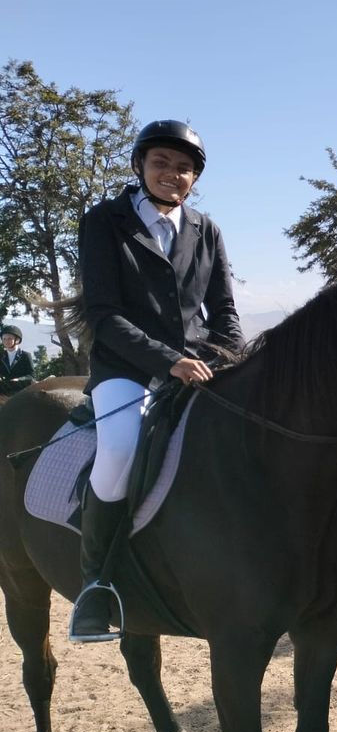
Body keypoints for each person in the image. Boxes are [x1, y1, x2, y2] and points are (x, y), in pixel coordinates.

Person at [69, 120, 243, 642]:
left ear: (195, 178)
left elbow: (226, 310)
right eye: (162, 162)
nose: (173, 174)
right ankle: (95, 584)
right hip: (127, 369)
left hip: (198, 367)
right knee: (120, 450)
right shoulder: (105, 221)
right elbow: (103, 313)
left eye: (184, 168)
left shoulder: (205, 229)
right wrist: (169, 360)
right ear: (140, 166)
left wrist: (230, 357)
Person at [0, 324, 35, 395]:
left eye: (9, 338)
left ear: (17, 340)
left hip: (20, 390)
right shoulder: (1, 355)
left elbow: (31, 376)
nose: (6, 341)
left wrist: (19, 379)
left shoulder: (26, 355)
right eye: (4, 339)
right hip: (3, 390)